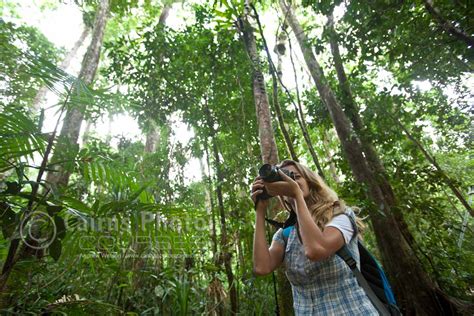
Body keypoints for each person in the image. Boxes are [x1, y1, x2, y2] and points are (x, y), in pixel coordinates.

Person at [251, 159, 378, 315]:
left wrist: (296, 194)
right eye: (283, 178)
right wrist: (260, 210)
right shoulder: (285, 235)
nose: (291, 182)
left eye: (295, 176)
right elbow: (261, 267)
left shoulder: (340, 215)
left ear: (310, 182)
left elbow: (316, 250)